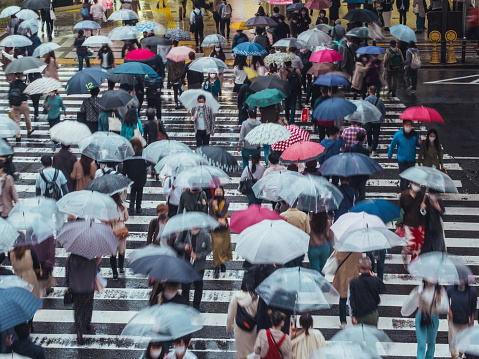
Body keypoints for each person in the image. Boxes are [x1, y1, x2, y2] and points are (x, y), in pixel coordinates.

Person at [401, 281, 449, 359]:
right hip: (421, 317)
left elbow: (445, 308)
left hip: (433, 318)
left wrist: (439, 301)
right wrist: (415, 296)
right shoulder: (419, 289)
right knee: (421, 345)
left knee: (431, 344)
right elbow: (408, 305)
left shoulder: (440, 290)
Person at [175, 228, 212, 310]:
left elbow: (209, 248)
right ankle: (186, 305)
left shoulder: (205, 234)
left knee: (198, 286)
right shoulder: (184, 231)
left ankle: (196, 305)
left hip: (199, 265)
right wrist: (184, 246)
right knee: (185, 286)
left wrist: (197, 256)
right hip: (186, 264)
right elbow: (177, 243)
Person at [65, 253, 98, 345]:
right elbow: (94, 272)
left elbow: (67, 273)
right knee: (88, 306)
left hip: (75, 287)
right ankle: (87, 323)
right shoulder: (91, 258)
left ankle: (79, 331)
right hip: (88, 287)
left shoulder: (70, 259)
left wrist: (68, 283)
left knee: (78, 309)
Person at [226, 276, 259, 359]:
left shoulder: (236, 296)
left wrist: (229, 326)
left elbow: (231, 313)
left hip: (240, 329)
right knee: (252, 352)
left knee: (241, 354)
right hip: (252, 330)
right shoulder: (256, 298)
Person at [349, 257, 387, 327]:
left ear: (359, 266)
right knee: (372, 336)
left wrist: (353, 316)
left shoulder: (354, 282)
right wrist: (375, 278)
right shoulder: (375, 280)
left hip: (359, 315)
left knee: (359, 335)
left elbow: (352, 300)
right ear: (370, 267)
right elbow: (382, 289)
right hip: (372, 313)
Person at [388, 119, 421, 191]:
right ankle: (403, 193)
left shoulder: (415, 135)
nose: (408, 127)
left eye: (410, 125)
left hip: (411, 159)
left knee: (410, 177)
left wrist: (420, 143)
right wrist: (389, 154)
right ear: (403, 125)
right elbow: (392, 145)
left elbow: (419, 145)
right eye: (407, 125)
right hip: (402, 160)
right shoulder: (398, 135)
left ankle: (407, 189)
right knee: (403, 177)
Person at [397, 181, 426, 263]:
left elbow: (427, 213)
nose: (418, 186)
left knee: (418, 247)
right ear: (411, 183)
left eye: (419, 184)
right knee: (410, 245)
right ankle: (405, 252)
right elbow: (399, 210)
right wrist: (398, 224)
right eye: (416, 183)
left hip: (420, 224)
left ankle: (414, 264)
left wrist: (423, 209)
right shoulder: (404, 195)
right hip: (408, 223)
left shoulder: (423, 197)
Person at [332, 251, 363, 327]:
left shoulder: (339, 251)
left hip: (342, 277)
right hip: (353, 277)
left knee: (342, 299)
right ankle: (355, 318)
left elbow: (335, 260)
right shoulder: (358, 252)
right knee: (355, 299)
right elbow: (360, 265)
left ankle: (343, 321)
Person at [447, 282, 477, 359]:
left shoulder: (471, 291)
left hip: (466, 317)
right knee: (453, 337)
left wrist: (472, 318)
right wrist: (449, 311)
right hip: (453, 317)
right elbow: (445, 300)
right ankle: (454, 355)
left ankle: (460, 354)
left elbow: (474, 304)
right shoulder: (451, 289)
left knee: (465, 339)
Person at [104, 193, 129, 279]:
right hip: (121, 229)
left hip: (110, 230)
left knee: (112, 252)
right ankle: (121, 267)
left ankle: (115, 273)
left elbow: (102, 220)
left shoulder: (106, 208)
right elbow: (126, 218)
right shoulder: (122, 206)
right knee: (122, 249)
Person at [209, 187, 232, 278]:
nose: (218, 193)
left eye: (220, 192)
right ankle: (216, 266)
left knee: (223, 246)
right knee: (216, 247)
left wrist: (216, 207)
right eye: (217, 192)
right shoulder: (211, 201)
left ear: (223, 193)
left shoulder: (226, 202)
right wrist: (218, 220)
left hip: (224, 226)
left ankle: (222, 263)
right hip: (215, 226)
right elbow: (211, 214)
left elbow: (222, 214)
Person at [123, 138, 148, 214]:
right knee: (140, 191)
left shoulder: (128, 153)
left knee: (133, 190)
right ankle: (138, 207)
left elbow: (125, 166)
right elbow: (147, 164)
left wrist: (124, 174)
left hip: (131, 175)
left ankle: (131, 206)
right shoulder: (143, 153)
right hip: (141, 176)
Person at [344, 132, 370, 201]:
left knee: (352, 192)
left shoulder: (349, 149)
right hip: (362, 174)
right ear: (363, 139)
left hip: (352, 173)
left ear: (356, 138)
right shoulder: (365, 151)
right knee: (362, 193)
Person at [9, 72, 33, 141]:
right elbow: (27, 94)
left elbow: (9, 94)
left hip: (15, 104)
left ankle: (18, 135)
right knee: (27, 118)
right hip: (23, 103)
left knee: (17, 120)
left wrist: (10, 103)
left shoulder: (12, 84)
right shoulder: (23, 85)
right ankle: (29, 130)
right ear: (22, 76)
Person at [420, 190, 446, 254]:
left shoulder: (438, 200)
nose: (433, 195)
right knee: (426, 250)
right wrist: (423, 210)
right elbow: (420, 215)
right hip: (427, 229)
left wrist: (438, 208)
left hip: (436, 229)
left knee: (437, 249)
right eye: (431, 193)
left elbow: (442, 214)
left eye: (434, 194)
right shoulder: (424, 200)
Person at [364, 85, 386, 156]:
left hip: (369, 120)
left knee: (369, 133)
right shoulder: (379, 100)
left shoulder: (366, 100)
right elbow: (383, 111)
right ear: (376, 91)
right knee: (376, 135)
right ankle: (374, 149)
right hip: (377, 120)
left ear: (369, 91)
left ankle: (369, 146)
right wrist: (383, 117)